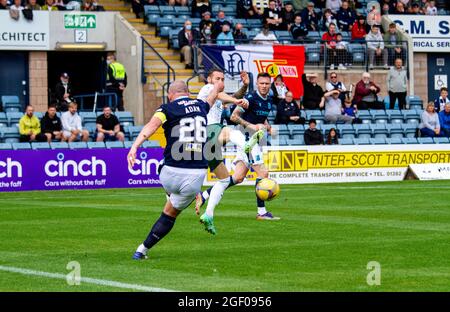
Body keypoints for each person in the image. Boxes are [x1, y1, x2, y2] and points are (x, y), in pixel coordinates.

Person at [129, 80, 222, 260]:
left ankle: (169, 193)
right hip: (196, 177)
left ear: (170, 95)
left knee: (159, 164)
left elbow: (152, 126)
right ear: (187, 92)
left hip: (170, 172)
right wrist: (217, 87)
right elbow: (211, 98)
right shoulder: (201, 106)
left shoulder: (167, 108)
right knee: (170, 215)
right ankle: (141, 249)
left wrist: (135, 146)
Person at [194, 70, 266, 234]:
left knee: (225, 180)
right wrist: (236, 100)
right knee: (235, 133)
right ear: (210, 79)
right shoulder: (207, 89)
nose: (219, 81)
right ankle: (246, 146)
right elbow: (223, 96)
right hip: (208, 131)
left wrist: (244, 87)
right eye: (217, 78)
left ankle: (209, 215)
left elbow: (229, 97)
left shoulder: (219, 96)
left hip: (211, 143)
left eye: (222, 79)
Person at [226, 72, 280, 221]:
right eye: (261, 83)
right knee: (263, 174)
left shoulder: (269, 100)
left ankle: (205, 195)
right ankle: (261, 212)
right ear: (257, 84)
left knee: (238, 177)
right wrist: (252, 126)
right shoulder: (250, 99)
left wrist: (268, 127)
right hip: (246, 140)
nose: (264, 86)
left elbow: (261, 118)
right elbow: (234, 117)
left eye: (267, 83)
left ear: (270, 84)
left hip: (254, 141)